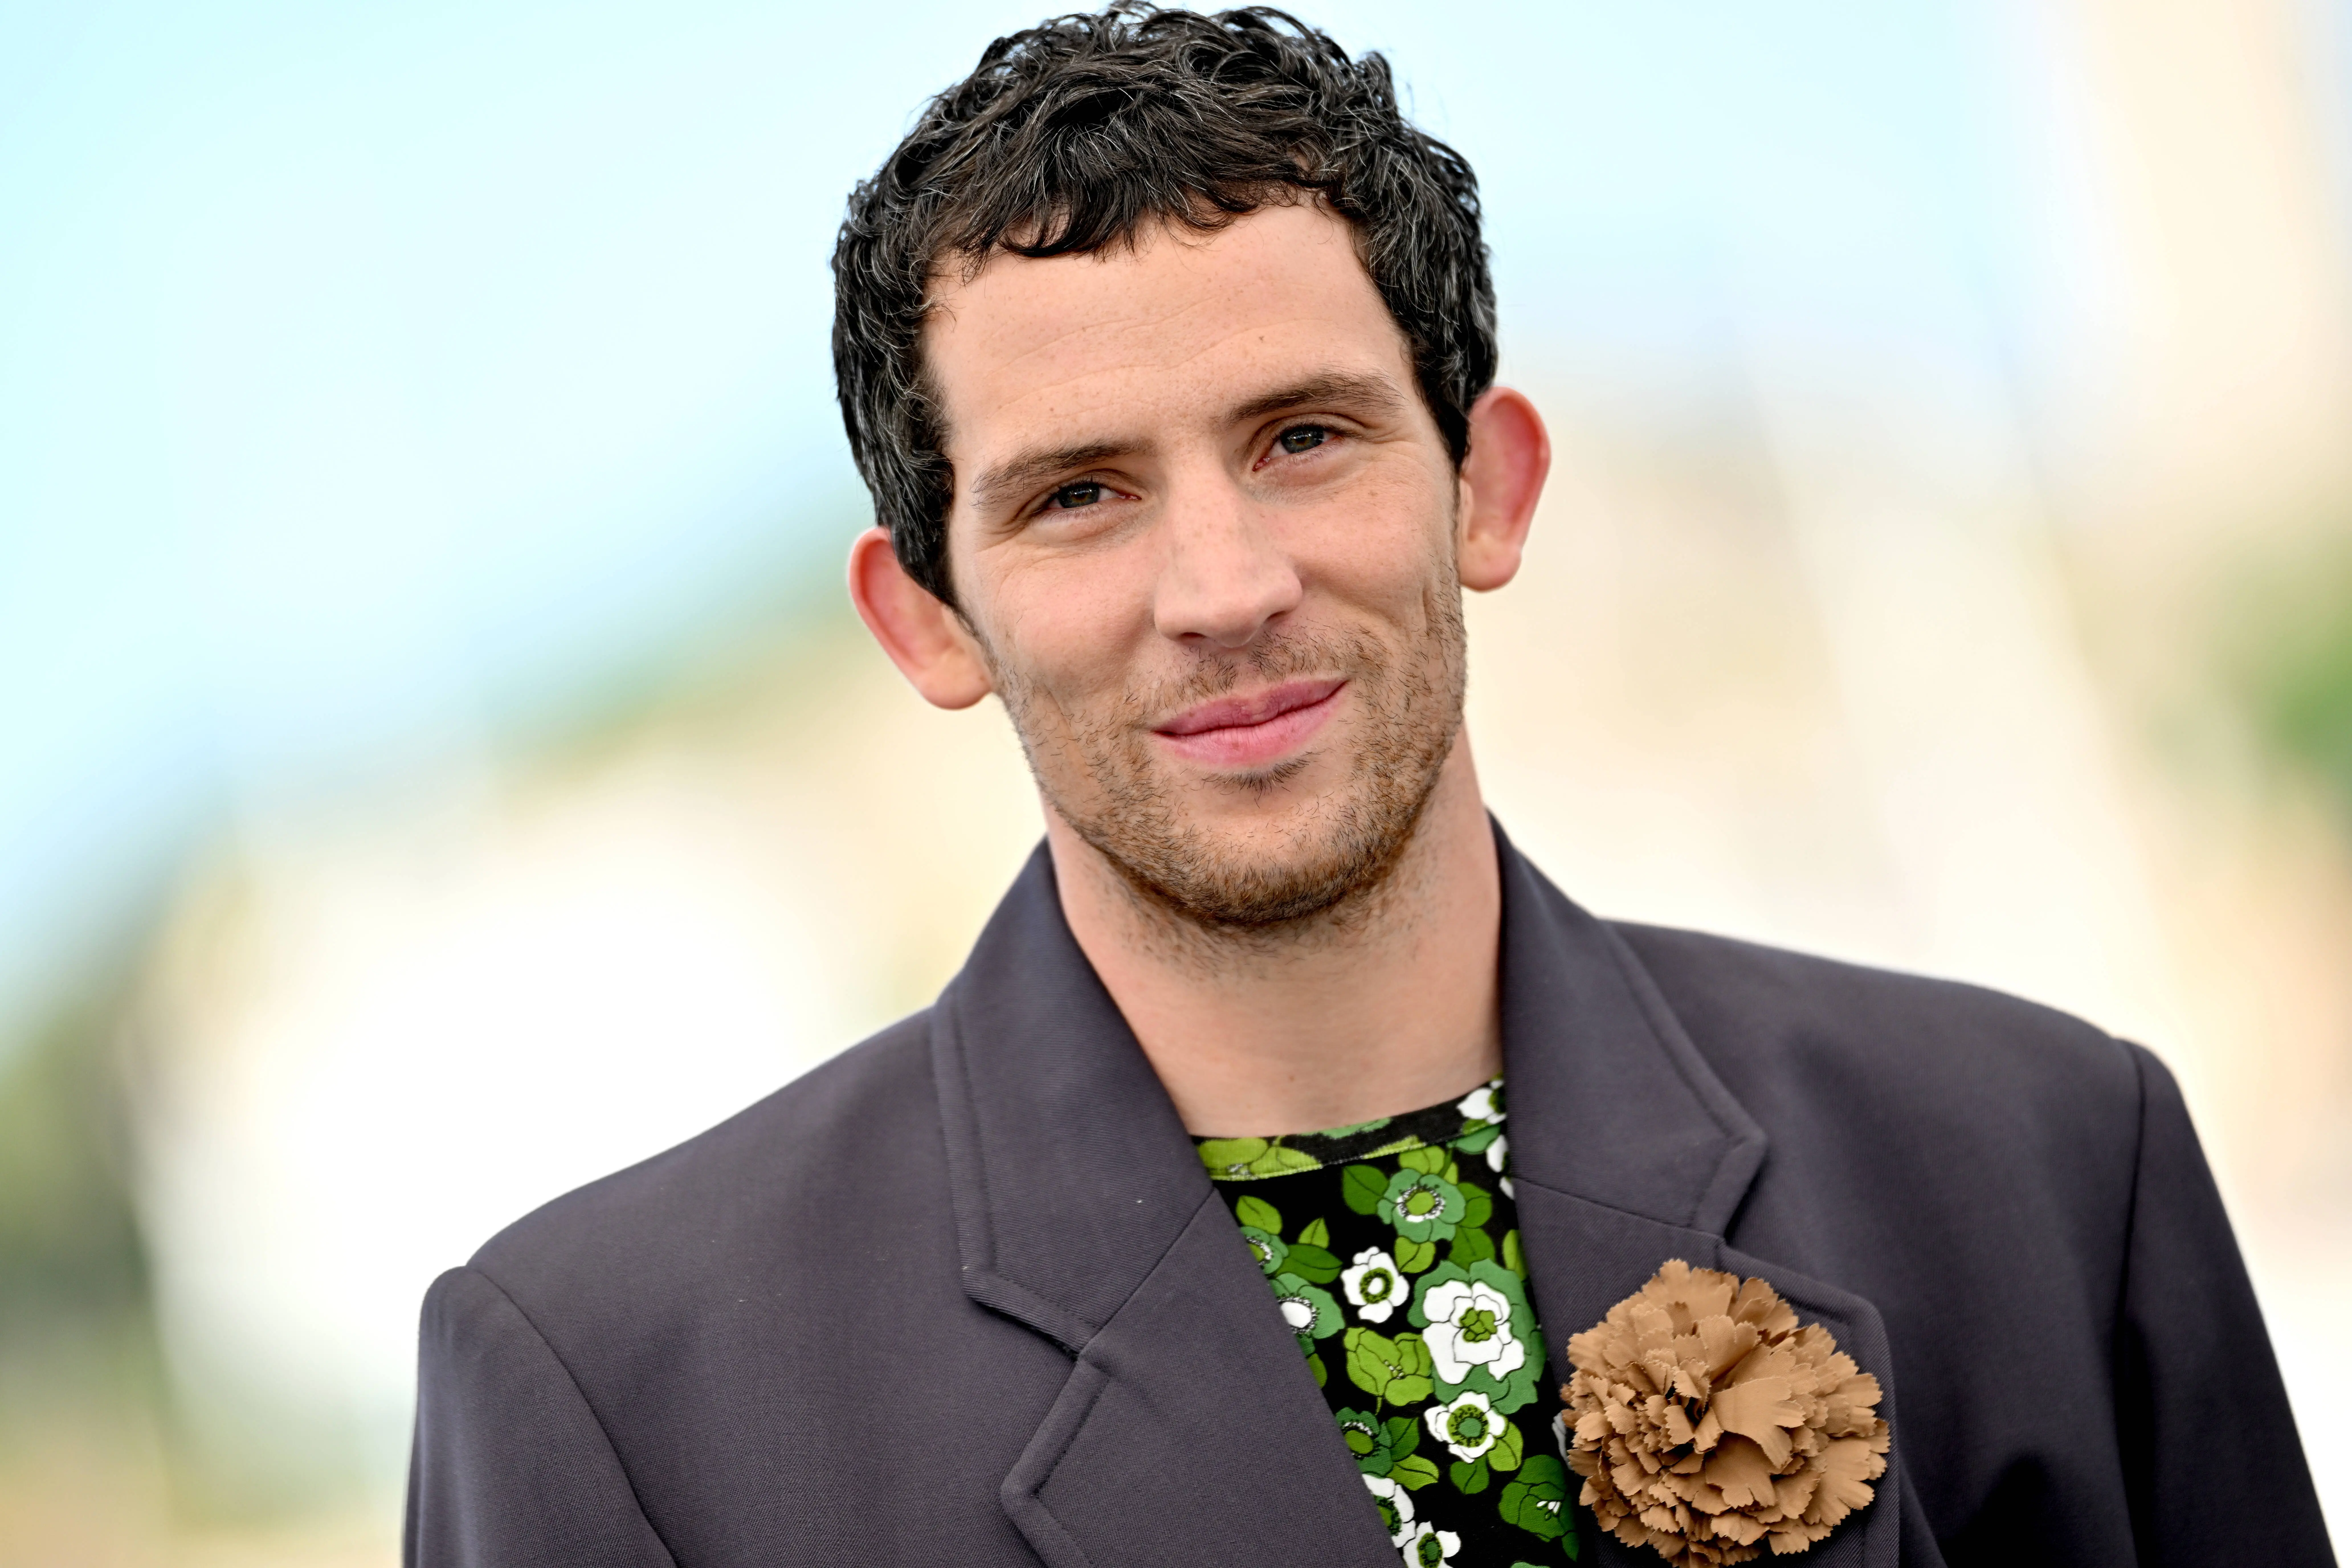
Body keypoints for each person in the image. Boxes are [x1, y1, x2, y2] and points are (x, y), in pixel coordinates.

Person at [403, 7, 2333, 1566]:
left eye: (1305, 437)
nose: (1226, 588)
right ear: (926, 617)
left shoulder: (2044, 1166)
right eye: (1080, 493)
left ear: (1486, 484)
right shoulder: (618, 1391)